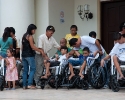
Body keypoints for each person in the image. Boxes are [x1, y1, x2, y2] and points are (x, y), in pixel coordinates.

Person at [22, 24, 44, 89]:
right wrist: (40, 50)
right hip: (29, 55)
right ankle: (30, 84)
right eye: (34, 30)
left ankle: (24, 85)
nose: (35, 31)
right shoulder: (30, 36)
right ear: (31, 29)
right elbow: (32, 47)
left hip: (24, 55)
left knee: (25, 70)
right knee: (33, 69)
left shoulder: (24, 35)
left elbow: (22, 47)